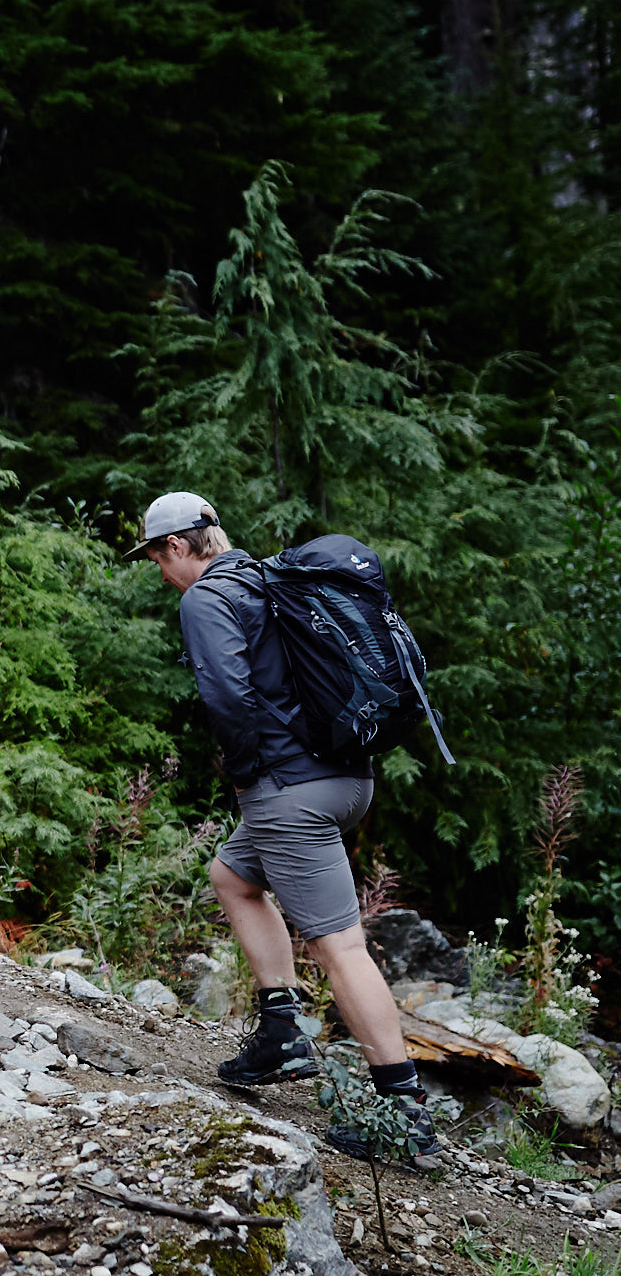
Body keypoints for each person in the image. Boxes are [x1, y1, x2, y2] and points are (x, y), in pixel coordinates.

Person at [131, 491, 442, 1162]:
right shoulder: (274, 578)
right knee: (232, 875)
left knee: (340, 947)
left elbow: (225, 694)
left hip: (289, 793)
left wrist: (249, 779)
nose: (160, 572)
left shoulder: (207, 598)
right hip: (347, 779)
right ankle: (280, 1033)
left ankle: (405, 1115)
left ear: (181, 545)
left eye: (158, 556)